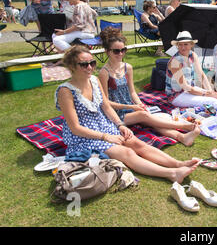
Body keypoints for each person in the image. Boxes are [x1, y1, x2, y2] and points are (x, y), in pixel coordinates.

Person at [56, 45, 200, 183]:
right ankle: (172, 174)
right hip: (83, 137)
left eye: (92, 63)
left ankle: (177, 163)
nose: (90, 68)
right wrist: (106, 136)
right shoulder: (66, 91)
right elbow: (75, 128)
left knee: (136, 143)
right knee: (127, 153)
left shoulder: (93, 81)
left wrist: (120, 125)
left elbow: (106, 107)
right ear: (72, 66)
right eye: (84, 64)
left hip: (103, 126)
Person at [98, 27, 201, 146]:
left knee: (150, 120)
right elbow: (105, 103)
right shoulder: (104, 73)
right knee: (144, 116)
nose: (120, 54)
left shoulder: (128, 67)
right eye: (116, 51)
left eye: (123, 50)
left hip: (131, 108)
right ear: (107, 51)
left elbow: (132, 93)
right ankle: (185, 126)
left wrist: (140, 104)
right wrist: (132, 106)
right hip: (116, 113)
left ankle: (182, 137)